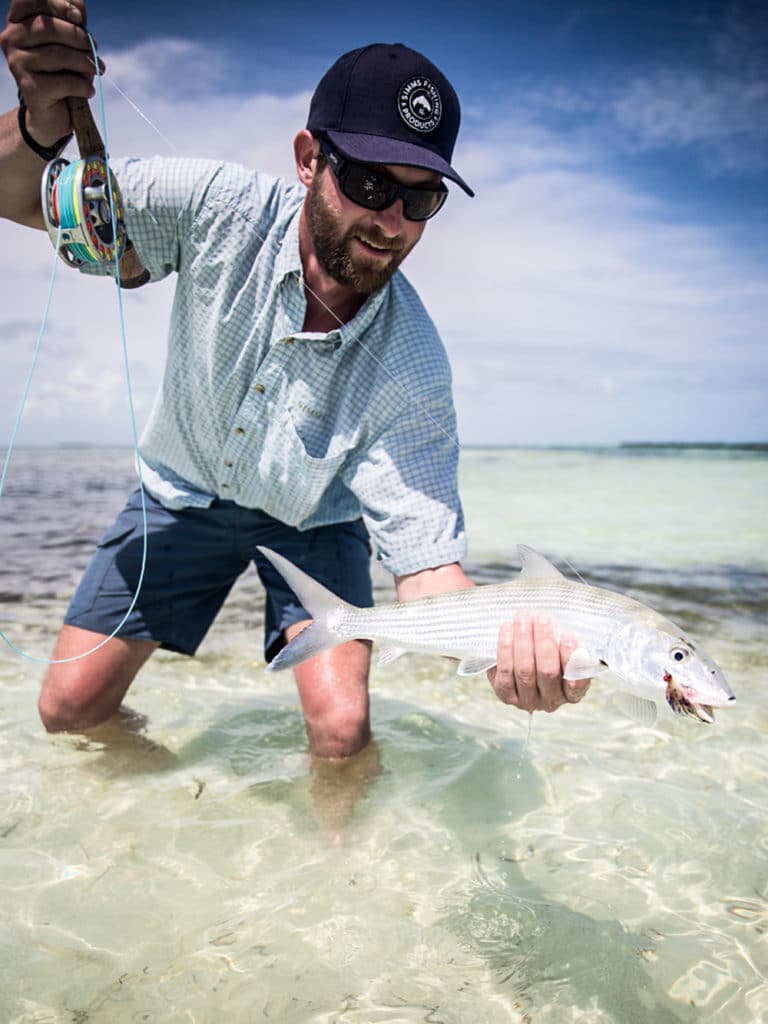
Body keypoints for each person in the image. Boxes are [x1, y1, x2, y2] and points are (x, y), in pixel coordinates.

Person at [0, 0, 590, 760]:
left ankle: (339, 875)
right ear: (309, 156)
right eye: (373, 185)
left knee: (342, 735)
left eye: (421, 200)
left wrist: (508, 650)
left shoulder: (414, 364)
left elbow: (426, 571)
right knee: (68, 711)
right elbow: (20, 195)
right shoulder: (217, 208)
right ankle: (166, 812)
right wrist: (43, 121)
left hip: (315, 520)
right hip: (179, 492)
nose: (393, 224)